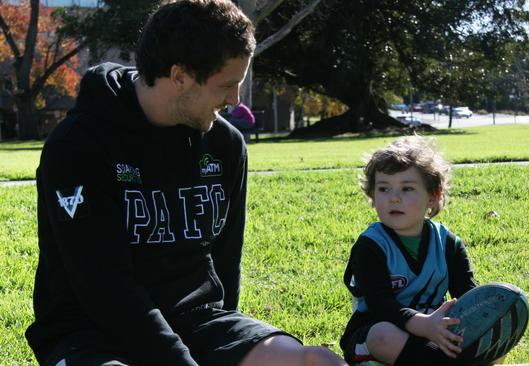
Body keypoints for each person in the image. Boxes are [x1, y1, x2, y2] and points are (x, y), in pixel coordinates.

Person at [25, 1, 346, 365]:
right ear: (179, 77)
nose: (234, 101)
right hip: (91, 331)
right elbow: (104, 289)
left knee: (318, 362)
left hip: (198, 320)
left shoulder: (225, 145)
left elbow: (226, 261)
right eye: (226, 85)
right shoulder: (78, 145)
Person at [339, 135, 478, 365]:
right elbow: (382, 306)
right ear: (372, 197)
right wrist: (424, 324)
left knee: (483, 330)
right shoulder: (371, 246)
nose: (394, 198)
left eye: (406, 188)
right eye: (384, 189)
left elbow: (466, 296)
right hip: (377, 336)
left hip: (434, 334)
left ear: (433, 196)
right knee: (383, 335)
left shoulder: (448, 244)